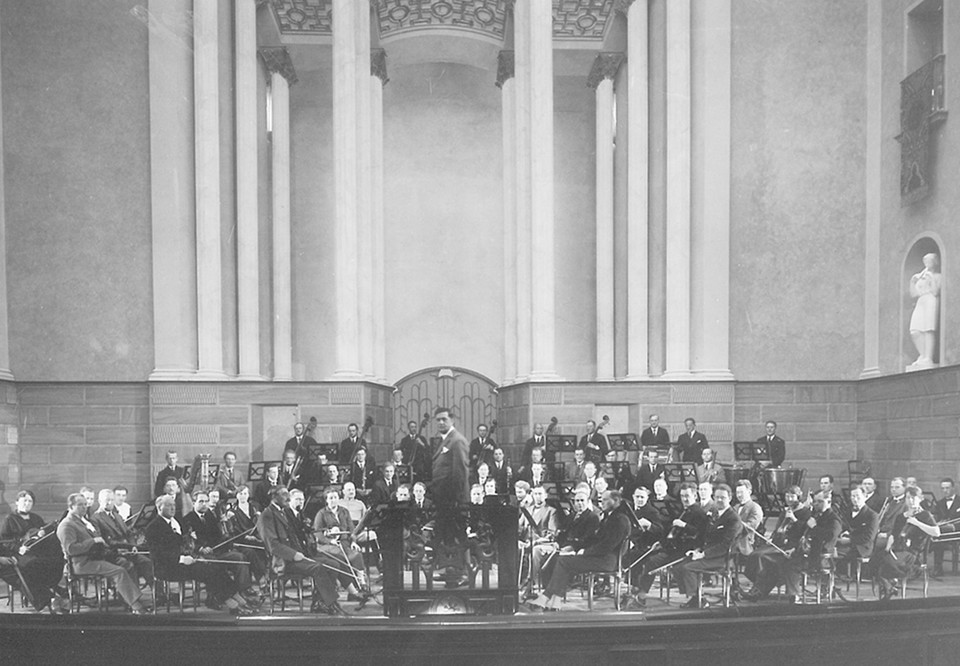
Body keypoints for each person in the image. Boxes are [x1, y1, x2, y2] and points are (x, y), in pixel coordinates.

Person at [527, 490, 630, 612]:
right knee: (561, 560)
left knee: (564, 562)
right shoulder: (611, 517)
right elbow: (594, 539)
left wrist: (584, 552)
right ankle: (555, 600)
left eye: (605, 500)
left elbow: (607, 545)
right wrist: (577, 548)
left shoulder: (619, 519)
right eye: (601, 500)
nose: (602, 502)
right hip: (601, 557)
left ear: (616, 501)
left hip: (607, 561)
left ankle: (547, 596)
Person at [257, 486, 344, 615]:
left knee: (333, 564)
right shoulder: (267, 515)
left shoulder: (283, 512)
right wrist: (293, 555)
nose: (288, 498)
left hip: (299, 556)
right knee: (318, 567)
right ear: (274, 497)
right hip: (284, 562)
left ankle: (319, 603)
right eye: (284, 495)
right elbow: (272, 545)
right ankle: (331, 603)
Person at [57, 493, 150, 614]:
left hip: (96, 557)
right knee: (119, 571)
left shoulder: (82, 521)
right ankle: (136, 606)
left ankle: (129, 600)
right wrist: (92, 541)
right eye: (80, 505)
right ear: (71, 506)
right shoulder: (67, 525)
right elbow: (71, 549)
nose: (84, 507)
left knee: (127, 564)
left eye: (85, 504)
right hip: (81, 563)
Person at [631, 482, 709, 606]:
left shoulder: (699, 513)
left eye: (687, 496)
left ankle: (697, 597)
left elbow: (701, 534)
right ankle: (639, 593)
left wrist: (684, 525)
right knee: (648, 559)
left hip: (688, 549)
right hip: (674, 548)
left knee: (656, 562)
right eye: (682, 496)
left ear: (695, 495)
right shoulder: (684, 511)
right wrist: (661, 543)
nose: (684, 499)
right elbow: (672, 532)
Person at [674, 483, 743, 608]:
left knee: (687, 568)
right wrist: (697, 550)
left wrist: (703, 554)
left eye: (723, 497)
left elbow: (725, 545)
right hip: (707, 553)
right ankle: (695, 597)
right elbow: (705, 536)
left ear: (730, 498)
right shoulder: (714, 513)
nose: (719, 500)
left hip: (722, 558)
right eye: (717, 497)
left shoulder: (733, 519)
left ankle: (698, 599)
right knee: (678, 567)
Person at [0, 490, 67, 613]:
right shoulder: (9, 519)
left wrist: (44, 532)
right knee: (33, 564)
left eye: (30, 501)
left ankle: (52, 591)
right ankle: (50, 597)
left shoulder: (36, 518)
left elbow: (45, 537)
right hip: (19, 554)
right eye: (24, 500)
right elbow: (4, 541)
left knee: (52, 561)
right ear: (16, 502)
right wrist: (18, 548)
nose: (27, 503)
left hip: (37, 552)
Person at [182, 489, 254, 602]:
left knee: (239, 558)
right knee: (213, 565)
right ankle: (215, 598)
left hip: (216, 551)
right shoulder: (187, 519)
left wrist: (226, 536)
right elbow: (186, 541)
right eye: (201, 501)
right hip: (201, 556)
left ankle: (242, 592)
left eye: (206, 501)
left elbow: (217, 537)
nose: (204, 504)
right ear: (193, 503)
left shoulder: (210, 516)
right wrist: (200, 548)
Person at [870, 486, 940, 600]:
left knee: (887, 562)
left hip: (913, 554)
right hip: (898, 550)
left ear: (920, 499)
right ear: (905, 500)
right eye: (908, 498)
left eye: (914, 498)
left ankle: (890, 585)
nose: (911, 501)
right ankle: (889, 586)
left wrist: (917, 523)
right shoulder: (901, 517)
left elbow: (937, 532)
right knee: (875, 560)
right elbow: (893, 535)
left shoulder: (925, 515)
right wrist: (887, 549)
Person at [312, 488, 369, 604]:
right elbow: (317, 532)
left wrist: (353, 542)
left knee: (356, 554)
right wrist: (329, 541)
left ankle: (361, 582)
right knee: (340, 556)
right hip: (327, 545)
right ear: (326, 500)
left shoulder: (344, 511)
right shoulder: (321, 513)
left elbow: (351, 530)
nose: (333, 500)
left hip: (345, 543)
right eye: (331, 498)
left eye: (335, 497)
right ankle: (351, 587)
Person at [90, 488, 154, 588]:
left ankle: (159, 595)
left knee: (146, 561)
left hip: (127, 550)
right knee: (129, 566)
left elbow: (129, 534)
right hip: (112, 554)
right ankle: (133, 599)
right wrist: (128, 546)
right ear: (99, 501)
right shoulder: (95, 518)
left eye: (112, 500)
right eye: (107, 500)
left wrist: (133, 546)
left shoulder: (116, 515)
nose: (110, 503)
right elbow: (104, 541)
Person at [836, 486, 878, 583]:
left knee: (838, 556)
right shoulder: (847, 512)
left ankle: (839, 576)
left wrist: (850, 539)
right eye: (852, 496)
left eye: (858, 496)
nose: (855, 499)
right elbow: (843, 526)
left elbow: (868, 537)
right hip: (847, 542)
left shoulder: (872, 515)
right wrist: (843, 533)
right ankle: (831, 581)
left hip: (862, 546)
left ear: (865, 496)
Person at [908, 252, 941, 369]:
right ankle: (922, 354)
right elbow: (914, 294)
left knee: (928, 329)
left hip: (931, 300)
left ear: (934, 263)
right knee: (915, 331)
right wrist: (913, 282)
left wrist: (931, 278)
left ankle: (928, 357)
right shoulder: (921, 276)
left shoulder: (938, 276)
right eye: (925, 262)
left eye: (929, 261)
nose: (927, 264)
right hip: (921, 301)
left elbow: (936, 292)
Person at [933, 478, 960, 577]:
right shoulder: (939, 503)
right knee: (937, 538)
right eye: (943, 488)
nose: (945, 491)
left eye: (947, 488)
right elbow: (936, 518)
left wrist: (953, 526)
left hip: (957, 532)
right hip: (944, 533)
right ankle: (938, 568)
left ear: (953, 488)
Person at [734, 480, 763, 558]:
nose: (739, 495)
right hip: (733, 539)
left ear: (749, 491)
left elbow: (750, 527)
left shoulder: (755, 507)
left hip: (746, 541)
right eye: (737, 492)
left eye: (742, 492)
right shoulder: (735, 507)